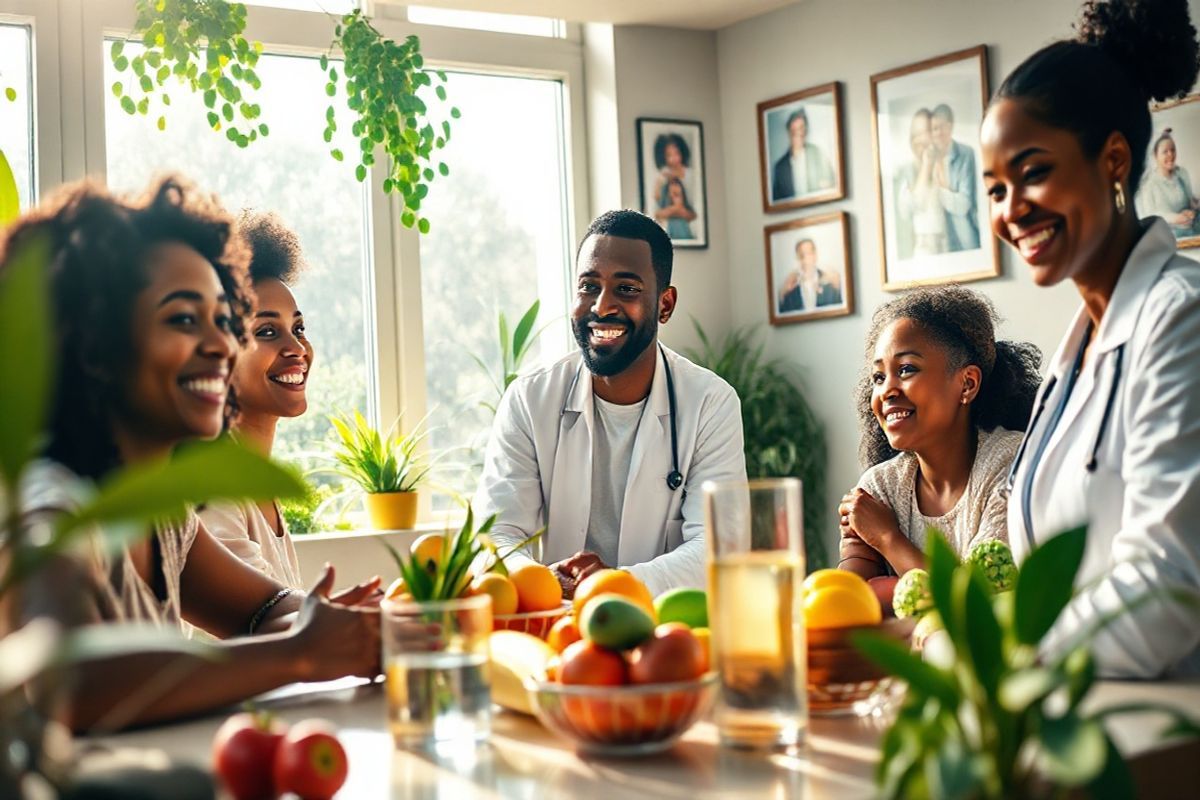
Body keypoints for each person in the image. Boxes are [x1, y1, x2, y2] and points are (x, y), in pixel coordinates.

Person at [2, 177, 380, 731]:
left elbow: (258, 609)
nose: (221, 344)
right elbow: (67, 682)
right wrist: (300, 652)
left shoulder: (161, 512)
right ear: (96, 344)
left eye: (224, 321)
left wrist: (350, 624)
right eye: (183, 318)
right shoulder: (52, 507)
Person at [983, 0, 1200, 677]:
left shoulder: (1181, 318)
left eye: (1033, 172)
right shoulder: (1078, 347)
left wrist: (995, 653)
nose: (1010, 210)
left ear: (1112, 160)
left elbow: (1167, 587)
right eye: (993, 188)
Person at [473, 210, 746, 596]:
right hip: (557, 623)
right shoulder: (529, 399)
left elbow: (721, 550)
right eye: (588, 286)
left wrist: (613, 584)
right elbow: (493, 536)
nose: (602, 307)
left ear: (664, 304)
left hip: (664, 629)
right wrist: (542, 580)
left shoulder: (710, 404)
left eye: (627, 289)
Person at [838, 287, 1041, 578]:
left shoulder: (1012, 465)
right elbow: (853, 599)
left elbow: (976, 603)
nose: (887, 391)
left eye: (907, 369)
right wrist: (856, 545)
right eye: (879, 377)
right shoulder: (879, 487)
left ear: (967, 384)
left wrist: (886, 538)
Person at [198, 212, 313, 588]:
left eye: (298, 328)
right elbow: (258, 630)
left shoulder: (255, 481)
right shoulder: (214, 487)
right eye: (266, 331)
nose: (296, 347)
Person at [895, 108, 948, 258]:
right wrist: (926, 166)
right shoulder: (905, 172)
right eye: (915, 134)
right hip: (923, 245)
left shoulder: (945, 164)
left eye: (925, 133)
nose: (919, 140)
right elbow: (910, 208)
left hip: (947, 243)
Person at [930, 103, 982, 252]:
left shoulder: (966, 154)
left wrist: (937, 191)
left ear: (951, 127)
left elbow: (964, 205)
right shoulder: (928, 158)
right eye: (934, 128)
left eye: (942, 127)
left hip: (965, 240)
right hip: (939, 245)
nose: (938, 133)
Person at [1135, 128, 1200, 238]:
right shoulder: (1148, 184)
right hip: (1168, 236)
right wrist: (1176, 218)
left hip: (1191, 229)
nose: (1170, 155)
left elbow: (1190, 202)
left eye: (1173, 150)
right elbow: (1148, 217)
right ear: (1156, 156)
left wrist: (1193, 207)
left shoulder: (1181, 174)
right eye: (1165, 152)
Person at [771, 107, 836, 202]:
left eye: (802, 128)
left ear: (806, 130)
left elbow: (832, 184)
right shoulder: (780, 167)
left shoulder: (817, 153)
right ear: (789, 132)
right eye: (795, 130)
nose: (799, 133)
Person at [777, 238, 842, 314]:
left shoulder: (830, 284)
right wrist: (781, 295)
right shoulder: (789, 290)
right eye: (801, 255)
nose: (805, 259)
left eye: (809, 254)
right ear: (797, 258)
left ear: (815, 255)